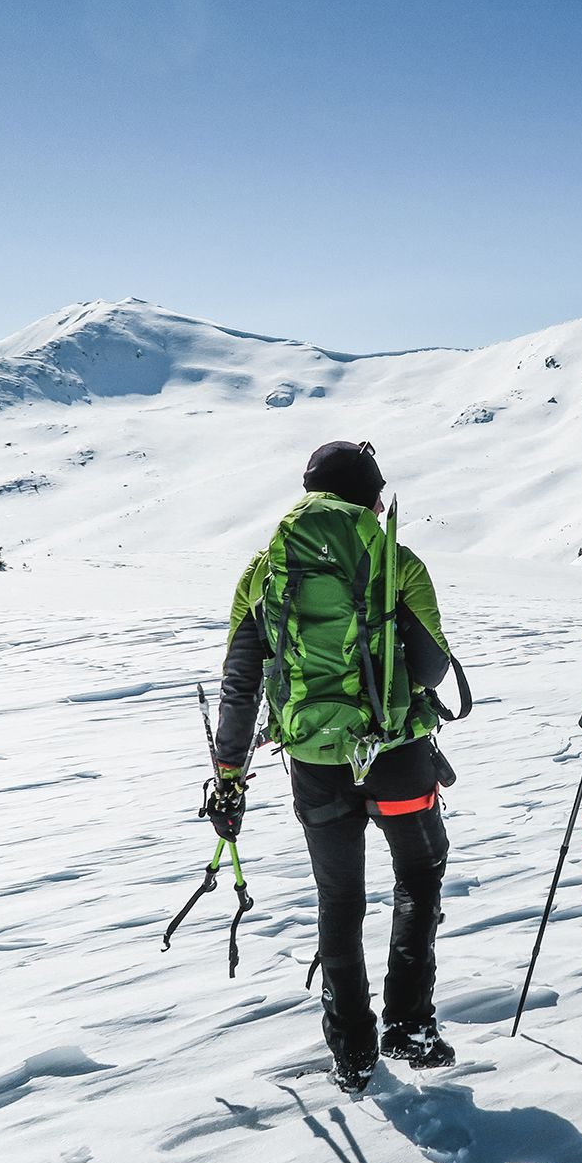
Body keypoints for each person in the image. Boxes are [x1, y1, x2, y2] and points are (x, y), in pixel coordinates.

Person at [210, 440, 459, 1093]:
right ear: (367, 494)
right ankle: (410, 1023)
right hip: (398, 755)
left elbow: (240, 684)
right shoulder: (395, 561)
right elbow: (433, 666)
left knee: (339, 899)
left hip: (315, 765)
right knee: (419, 876)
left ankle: (352, 1050)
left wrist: (229, 774)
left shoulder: (267, 569)